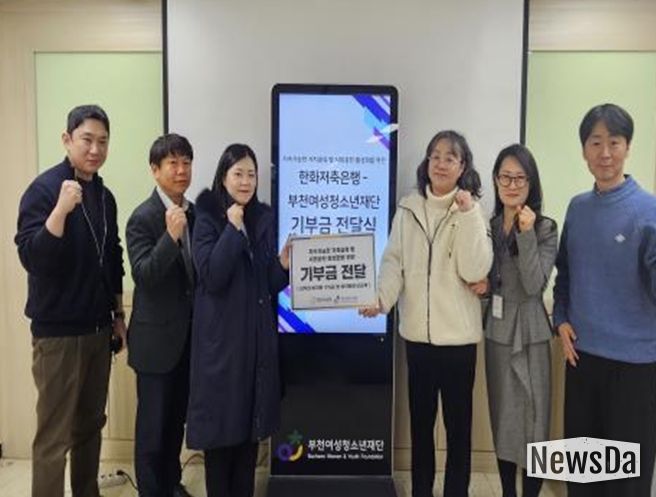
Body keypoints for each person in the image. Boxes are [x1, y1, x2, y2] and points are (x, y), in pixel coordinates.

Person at [361, 130, 493, 497]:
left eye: (450, 157)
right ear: (427, 162)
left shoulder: (472, 212)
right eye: (435, 156)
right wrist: (381, 300)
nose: (441, 163)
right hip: (418, 338)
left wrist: (468, 215)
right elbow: (394, 263)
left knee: (458, 429)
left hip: (459, 341)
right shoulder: (408, 209)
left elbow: (475, 269)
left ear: (462, 166)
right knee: (421, 427)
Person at [15, 104, 125, 497]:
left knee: (90, 426)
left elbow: (113, 258)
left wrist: (118, 315)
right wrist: (60, 211)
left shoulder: (105, 197)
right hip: (58, 336)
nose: (95, 149)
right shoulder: (44, 190)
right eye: (87, 140)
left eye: (103, 141)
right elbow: (33, 257)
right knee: (54, 436)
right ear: (67, 140)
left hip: (98, 330)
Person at [553, 103, 656, 497]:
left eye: (614, 142)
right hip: (583, 360)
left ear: (627, 147)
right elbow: (565, 274)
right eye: (595, 142)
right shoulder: (578, 208)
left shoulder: (648, 211)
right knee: (583, 478)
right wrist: (561, 318)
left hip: (636, 366)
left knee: (627, 483)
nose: (605, 153)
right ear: (584, 150)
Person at [185, 144, 290, 497]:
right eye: (238, 174)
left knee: (248, 435)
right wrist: (232, 229)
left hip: (256, 344)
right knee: (220, 436)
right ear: (223, 178)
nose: (246, 182)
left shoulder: (262, 218)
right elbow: (212, 276)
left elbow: (266, 284)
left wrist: (283, 266)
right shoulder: (206, 217)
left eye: (251, 174)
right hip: (222, 346)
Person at [471, 144, 557, 497]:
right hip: (498, 331)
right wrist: (482, 287)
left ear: (530, 183)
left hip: (532, 332)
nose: (512, 184)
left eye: (520, 178)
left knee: (535, 423)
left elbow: (534, 284)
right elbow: (488, 279)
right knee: (503, 418)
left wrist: (525, 233)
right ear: (495, 180)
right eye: (505, 177)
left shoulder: (545, 228)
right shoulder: (488, 226)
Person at [126, 133, 196, 497]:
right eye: (173, 163)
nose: (181, 170)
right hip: (155, 344)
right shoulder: (142, 217)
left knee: (175, 424)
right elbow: (145, 276)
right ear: (155, 170)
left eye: (186, 162)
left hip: (188, 341)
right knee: (152, 429)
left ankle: (171, 483)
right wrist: (170, 237)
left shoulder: (195, 213)